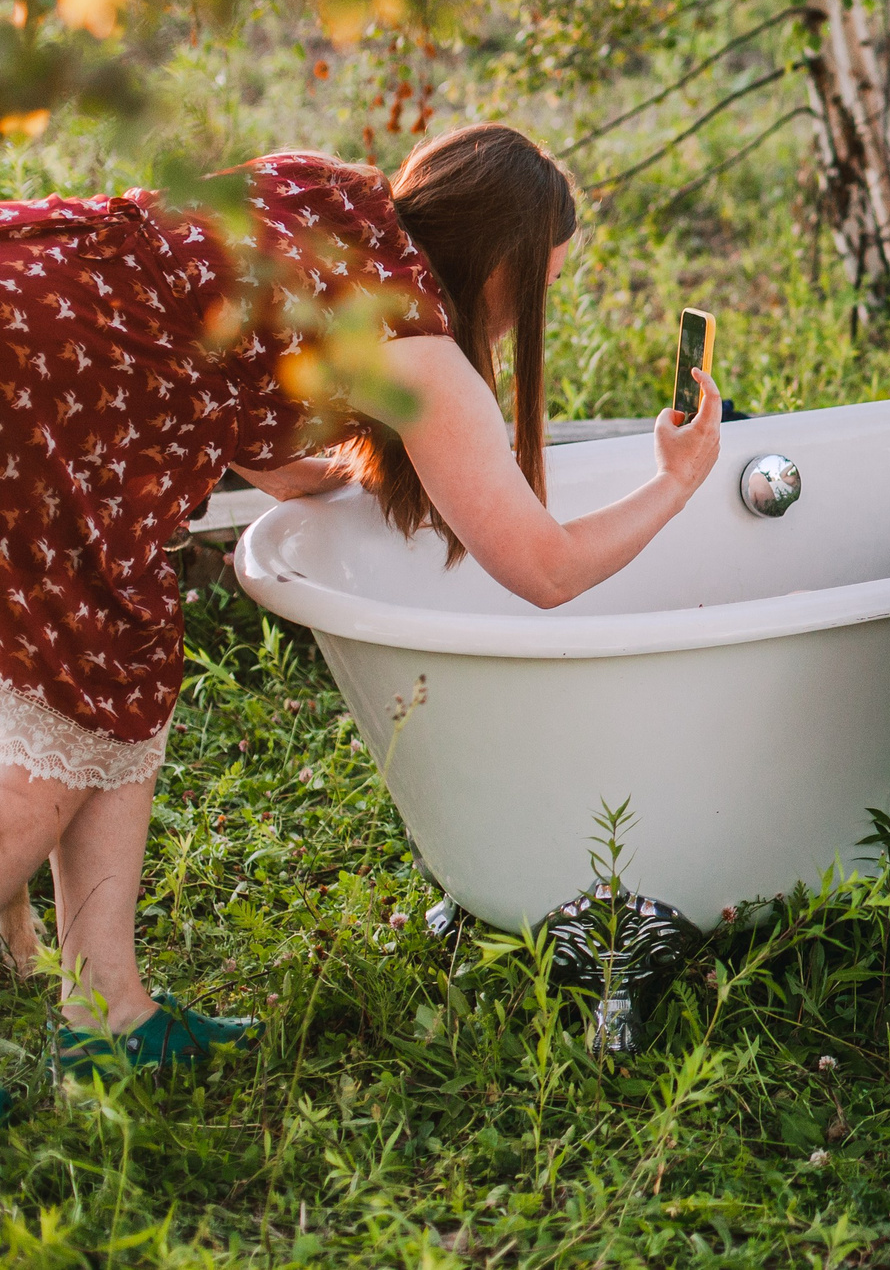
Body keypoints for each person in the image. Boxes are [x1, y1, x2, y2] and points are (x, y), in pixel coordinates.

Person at [0, 123, 726, 1104]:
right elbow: (544, 571)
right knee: (75, 714)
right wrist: (678, 485)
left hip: (30, 294)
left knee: (126, 671)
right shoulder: (420, 346)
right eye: (537, 290)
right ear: (499, 270)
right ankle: (103, 1014)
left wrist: (349, 478)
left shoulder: (333, 197)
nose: (518, 325)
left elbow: (250, 420)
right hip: (52, 399)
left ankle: (109, 1014)